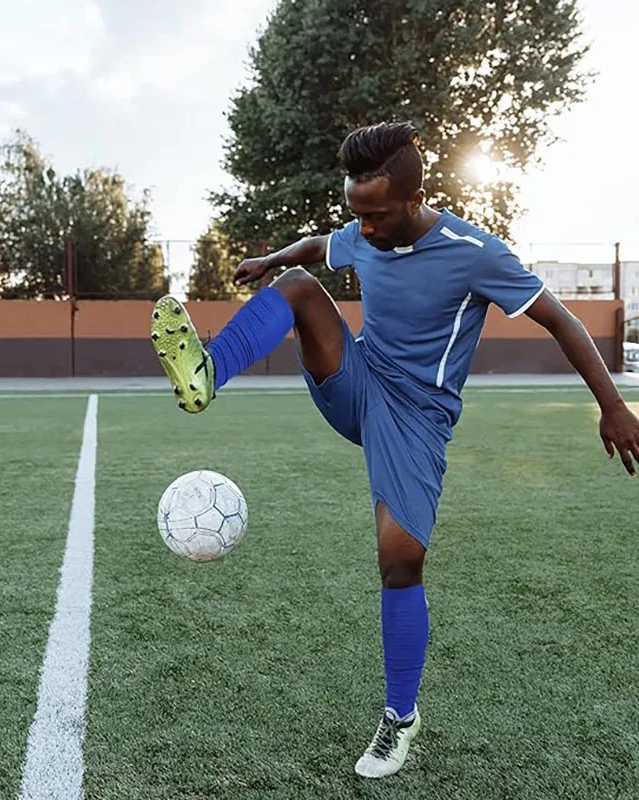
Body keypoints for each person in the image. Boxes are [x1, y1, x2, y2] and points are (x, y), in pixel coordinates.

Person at [149, 122, 639, 778]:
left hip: (417, 419)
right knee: (296, 286)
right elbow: (323, 245)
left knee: (399, 561)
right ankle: (206, 374)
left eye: (376, 216)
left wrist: (612, 405)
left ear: (413, 201)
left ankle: (399, 719)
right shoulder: (365, 227)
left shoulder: (474, 252)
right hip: (358, 384)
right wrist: (271, 262)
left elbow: (563, 319)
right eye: (357, 212)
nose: (366, 231)